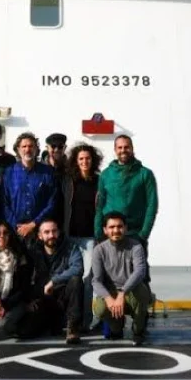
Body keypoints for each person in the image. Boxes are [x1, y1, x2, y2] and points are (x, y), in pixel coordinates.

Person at [94, 134, 158, 290]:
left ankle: (141, 311)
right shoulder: (106, 174)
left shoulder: (145, 174)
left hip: (135, 233)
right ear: (115, 150)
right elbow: (99, 204)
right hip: (110, 233)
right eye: (120, 147)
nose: (123, 150)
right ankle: (113, 311)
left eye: (126, 147)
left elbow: (152, 204)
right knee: (109, 274)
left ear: (132, 148)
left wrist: (144, 233)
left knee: (140, 273)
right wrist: (98, 231)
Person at [18, 217, 83, 344]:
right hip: (43, 298)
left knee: (75, 280)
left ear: (59, 232)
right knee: (24, 332)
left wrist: (54, 281)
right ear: (40, 235)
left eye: (54, 231)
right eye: (46, 232)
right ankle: (49, 325)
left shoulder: (70, 247)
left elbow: (78, 268)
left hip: (64, 297)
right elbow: (23, 276)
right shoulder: (33, 251)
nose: (51, 235)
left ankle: (73, 328)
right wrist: (28, 300)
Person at [92, 211, 149, 345]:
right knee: (100, 309)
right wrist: (108, 298)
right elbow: (96, 281)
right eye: (112, 227)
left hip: (131, 291)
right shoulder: (99, 250)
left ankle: (138, 330)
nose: (116, 230)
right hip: (111, 294)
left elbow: (140, 271)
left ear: (126, 228)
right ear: (105, 230)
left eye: (119, 226)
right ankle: (117, 325)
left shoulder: (136, 246)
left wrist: (123, 293)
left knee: (142, 292)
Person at [63, 143, 102, 330]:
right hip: (69, 237)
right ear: (75, 161)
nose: (84, 161)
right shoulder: (69, 181)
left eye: (87, 158)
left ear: (92, 160)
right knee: (71, 277)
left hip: (90, 238)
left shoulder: (99, 181)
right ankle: (70, 318)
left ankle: (85, 321)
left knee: (88, 278)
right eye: (81, 159)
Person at [3, 132, 57, 240]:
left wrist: (33, 224)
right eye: (24, 146)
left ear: (36, 149)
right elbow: (4, 202)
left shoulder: (47, 172)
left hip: (40, 231)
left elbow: (52, 202)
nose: (27, 149)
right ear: (18, 149)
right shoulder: (9, 172)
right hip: (15, 231)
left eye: (31, 146)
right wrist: (16, 225)